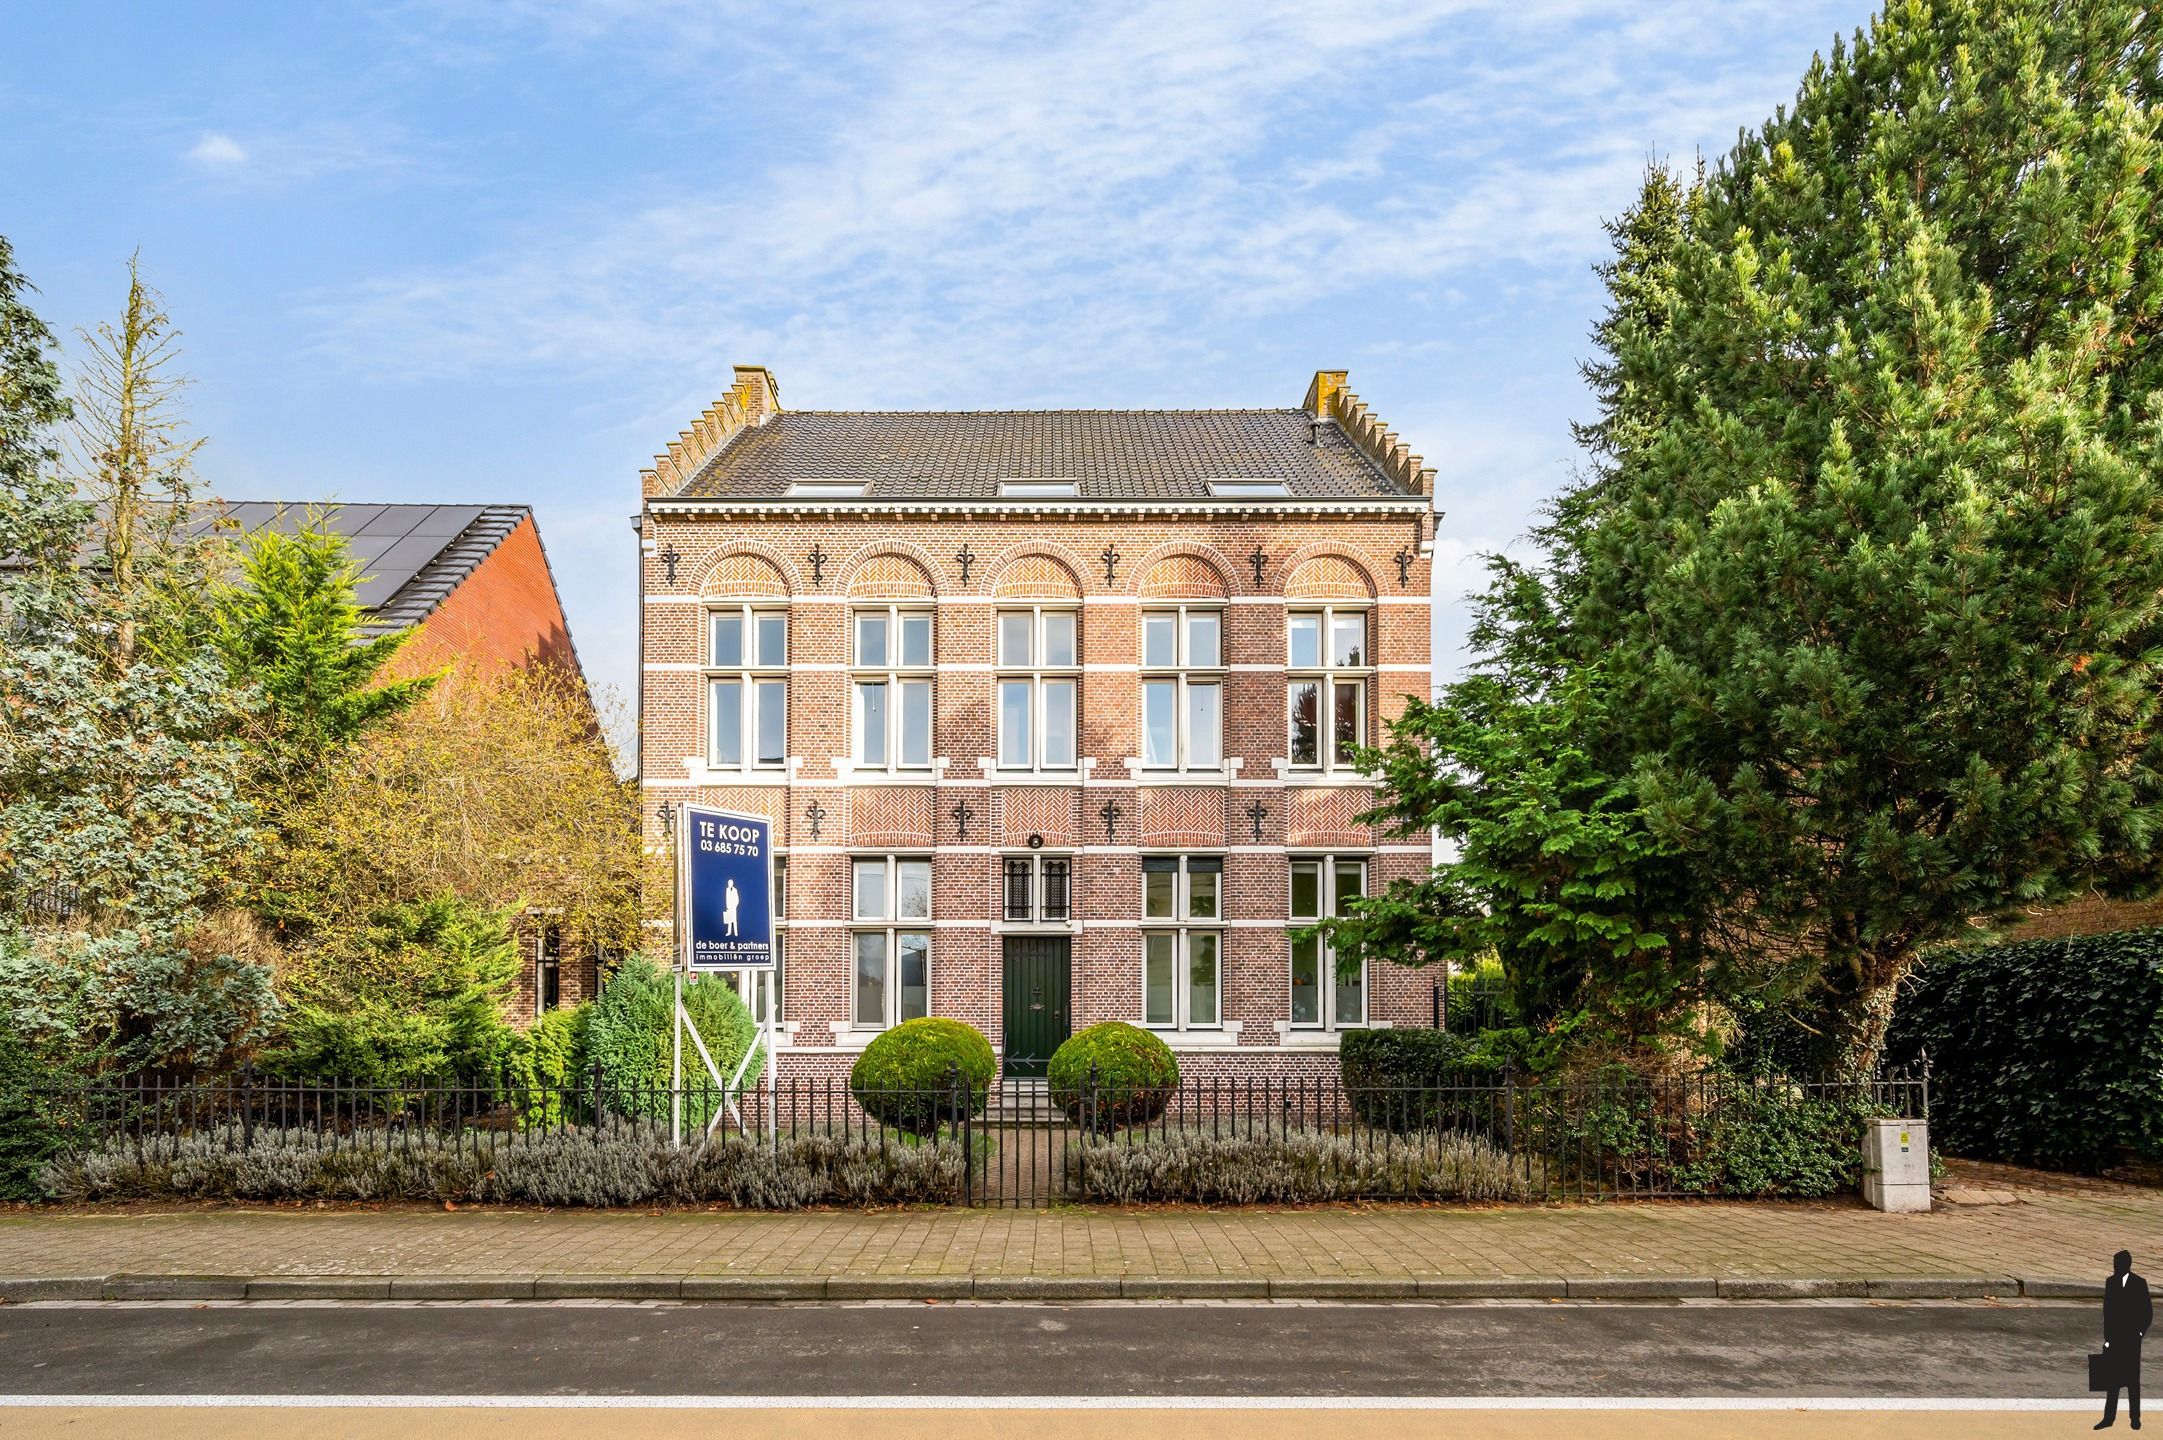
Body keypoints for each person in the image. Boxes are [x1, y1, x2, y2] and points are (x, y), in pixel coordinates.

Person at [2101, 1249, 2151, 1430]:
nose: (2115, 1267)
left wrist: (2139, 1333)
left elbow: (2147, 1312)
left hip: (2131, 1340)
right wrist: (2107, 1338)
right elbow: (2107, 1312)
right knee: (2112, 1381)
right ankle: (2109, 1418)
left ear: (2126, 1265)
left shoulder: (2139, 1283)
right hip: (2115, 1339)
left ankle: (2135, 1418)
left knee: (2133, 1382)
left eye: (2118, 1264)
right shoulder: (2111, 1282)